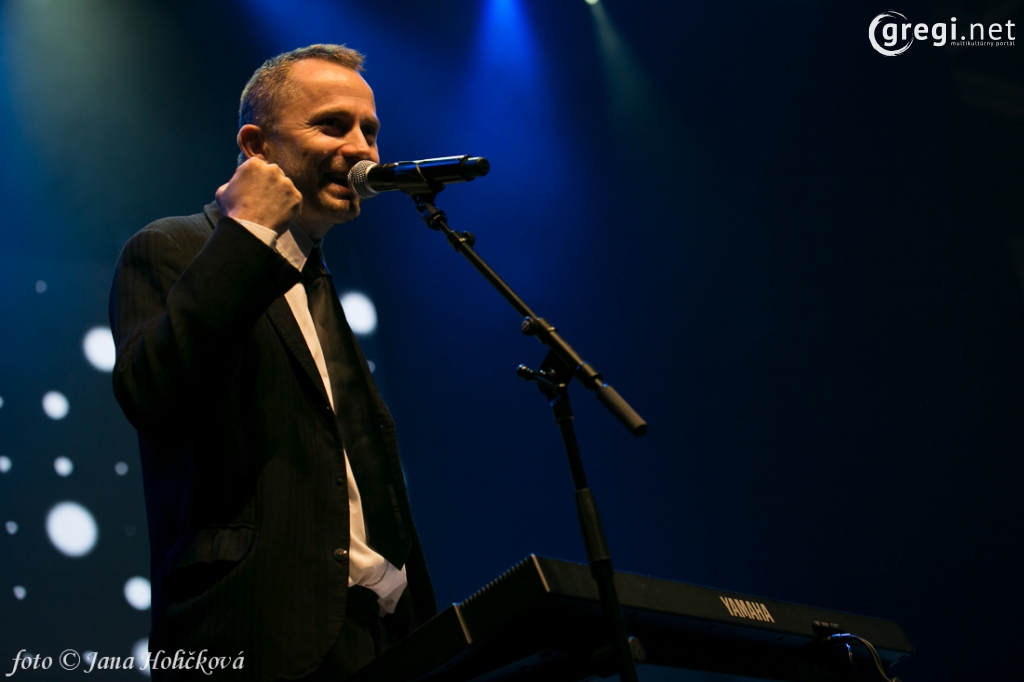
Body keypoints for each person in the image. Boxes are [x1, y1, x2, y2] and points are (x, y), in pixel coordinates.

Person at [109, 44, 436, 681]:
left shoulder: (318, 279)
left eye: (370, 130)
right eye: (332, 125)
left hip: (378, 635)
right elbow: (155, 396)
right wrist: (249, 233)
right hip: (250, 628)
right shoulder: (172, 246)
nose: (362, 149)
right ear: (256, 146)